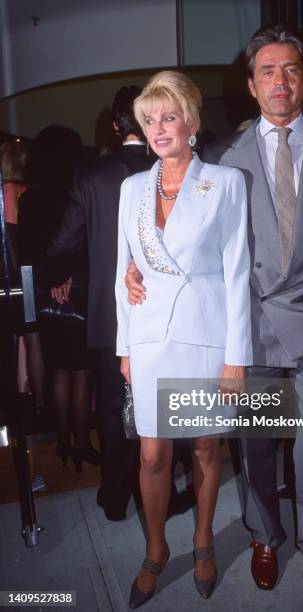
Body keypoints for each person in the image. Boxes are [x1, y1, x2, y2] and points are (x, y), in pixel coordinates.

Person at [127, 24, 303, 597]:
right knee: (255, 445)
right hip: (252, 327)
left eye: (290, 70)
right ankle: (264, 536)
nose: (279, 81)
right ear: (251, 85)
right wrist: (139, 266)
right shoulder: (219, 159)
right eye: (268, 71)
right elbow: (181, 239)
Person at [116, 70, 252, 608]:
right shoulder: (131, 188)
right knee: (152, 456)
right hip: (149, 339)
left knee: (202, 446)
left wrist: (237, 359)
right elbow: (120, 270)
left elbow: (237, 273)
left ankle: (202, 540)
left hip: (204, 337)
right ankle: (155, 550)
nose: (158, 128)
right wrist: (125, 346)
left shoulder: (224, 183)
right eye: (150, 119)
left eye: (168, 117)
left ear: (192, 123)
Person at [46, 86, 153, 520]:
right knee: (162, 405)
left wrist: (57, 275)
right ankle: (158, 494)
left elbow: (62, 245)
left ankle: (115, 497)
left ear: (115, 125)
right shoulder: (171, 168)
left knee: (112, 408)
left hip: (111, 316)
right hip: (166, 313)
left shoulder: (92, 176)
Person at [18, 125, 97, 470]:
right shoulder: (77, 189)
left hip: (44, 289)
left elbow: (28, 249)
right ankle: (81, 443)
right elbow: (85, 241)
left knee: (58, 370)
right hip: (78, 288)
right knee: (81, 371)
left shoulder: (29, 197)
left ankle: (63, 441)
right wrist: (68, 277)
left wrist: (51, 278)